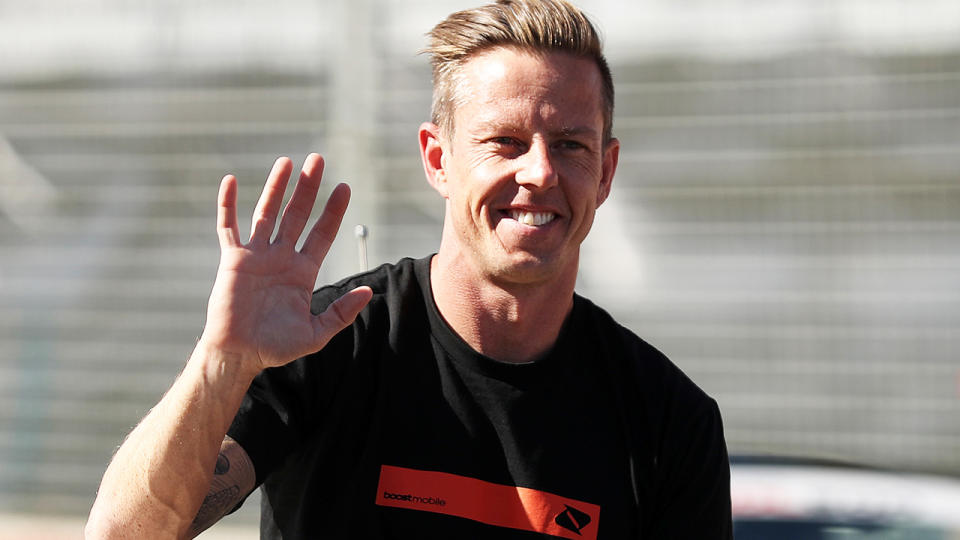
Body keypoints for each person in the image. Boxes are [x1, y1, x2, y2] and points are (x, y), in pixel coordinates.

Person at [85, 0, 732, 538]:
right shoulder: (326, 345)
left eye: (570, 145)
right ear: (438, 158)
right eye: (503, 141)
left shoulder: (668, 420)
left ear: (606, 170)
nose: (539, 172)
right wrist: (221, 363)